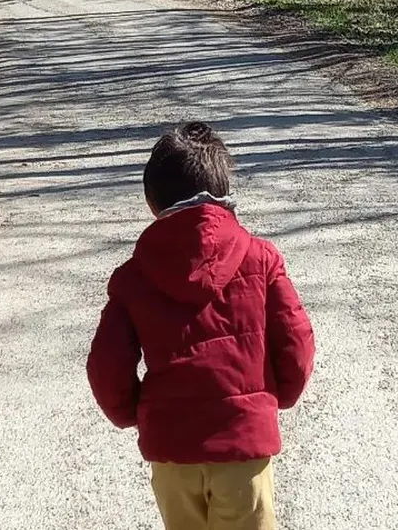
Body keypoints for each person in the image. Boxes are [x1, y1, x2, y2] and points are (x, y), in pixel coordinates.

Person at [87, 122, 315, 530]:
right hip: (243, 448)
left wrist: (131, 412)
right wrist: (275, 398)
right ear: (227, 194)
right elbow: (296, 343)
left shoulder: (133, 277)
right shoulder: (262, 260)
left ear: (151, 203)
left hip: (172, 451)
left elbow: (107, 366)